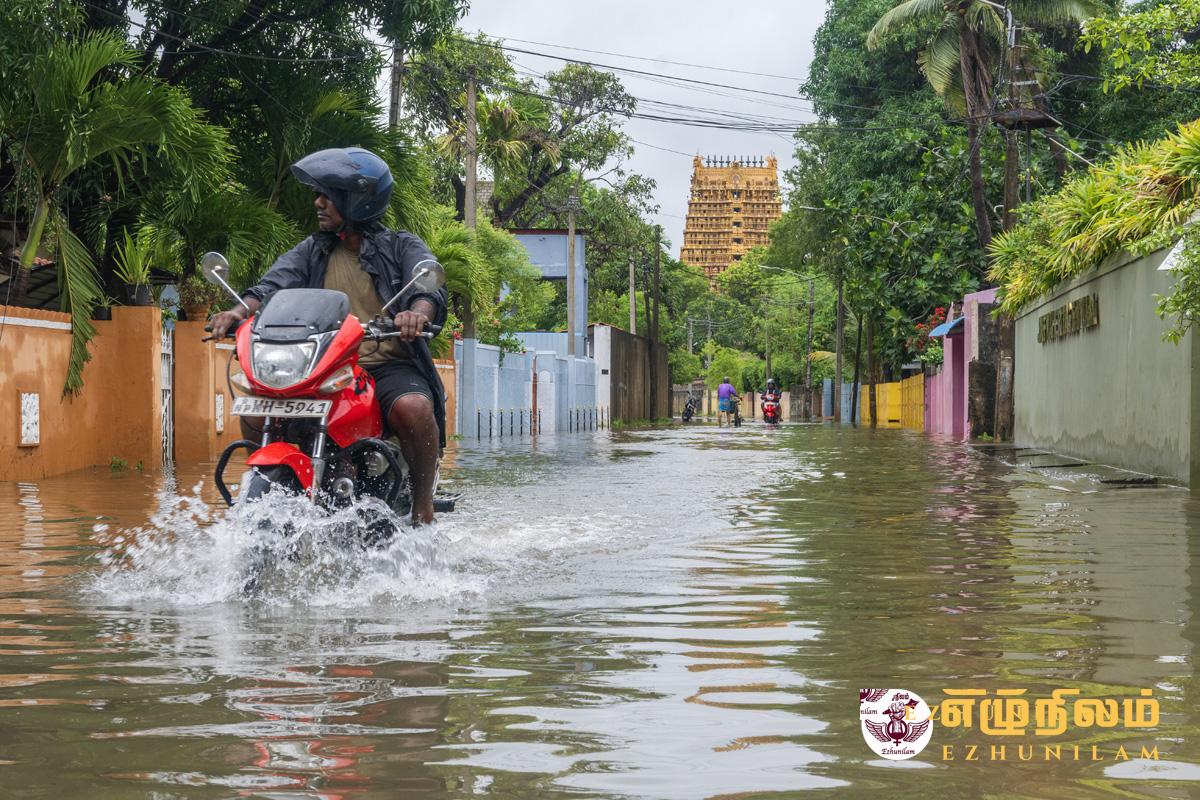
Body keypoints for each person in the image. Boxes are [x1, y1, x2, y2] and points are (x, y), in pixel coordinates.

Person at [207, 147, 448, 525]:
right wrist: (237, 312)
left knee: (413, 408)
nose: (318, 203)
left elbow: (426, 288)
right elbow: (272, 285)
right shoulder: (312, 250)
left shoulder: (400, 245)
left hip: (385, 364)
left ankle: (423, 509)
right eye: (318, 194)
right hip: (324, 367)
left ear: (359, 201)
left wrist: (416, 315)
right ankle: (269, 487)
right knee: (258, 408)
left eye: (328, 195)